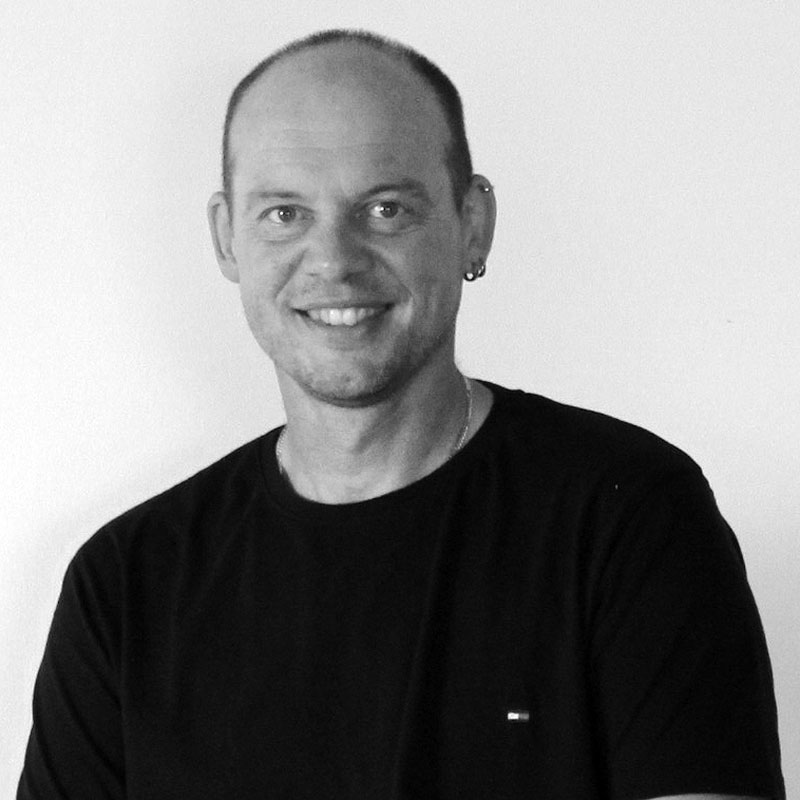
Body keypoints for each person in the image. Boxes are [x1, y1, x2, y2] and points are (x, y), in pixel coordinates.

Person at [18, 29, 784, 800]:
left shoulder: (629, 518)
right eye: (284, 213)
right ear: (226, 239)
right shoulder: (124, 586)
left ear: (472, 224)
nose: (333, 260)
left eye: (385, 209)